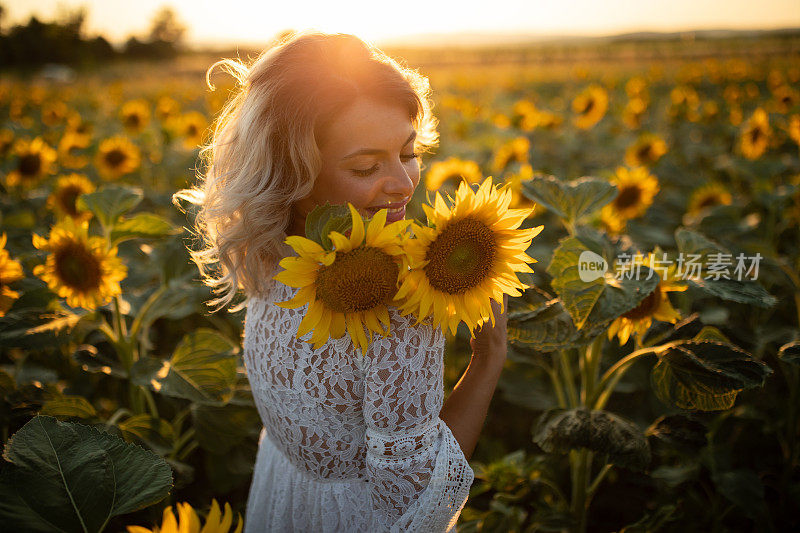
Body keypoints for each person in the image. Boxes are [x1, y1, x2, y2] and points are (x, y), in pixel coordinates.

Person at [173, 30, 508, 533]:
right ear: (294, 174)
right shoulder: (393, 301)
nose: (402, 182)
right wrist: (489, 359)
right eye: (366, 166)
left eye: (408, 152)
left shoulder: (271, 253)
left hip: (283, 499)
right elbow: (412, 504)